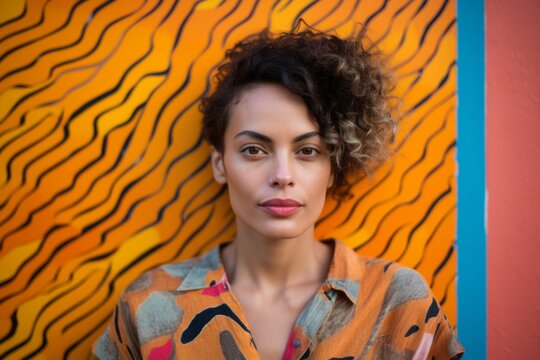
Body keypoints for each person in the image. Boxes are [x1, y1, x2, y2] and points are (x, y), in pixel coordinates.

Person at [93, 24, 464, 360]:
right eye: (254, 150)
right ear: (220, 164)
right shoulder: (146, 307)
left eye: (308, 151)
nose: (282, 175)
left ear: (333, 166)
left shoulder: (398, 301)